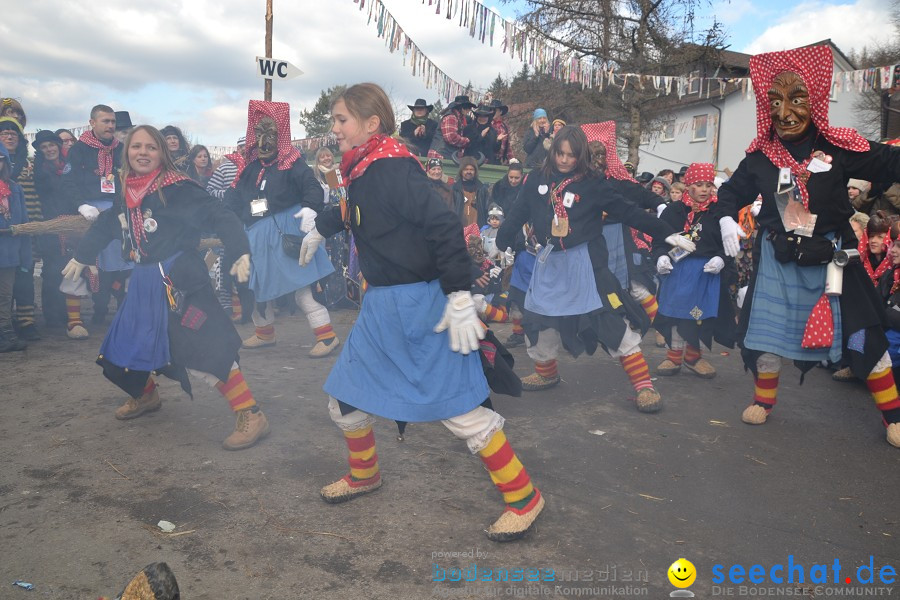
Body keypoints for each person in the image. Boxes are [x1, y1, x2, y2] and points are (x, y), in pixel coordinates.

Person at [299, 82, 545, 541]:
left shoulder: (391, 167)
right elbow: (357, 210)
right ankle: (365, 473)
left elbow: (444, 226)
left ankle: (524, 497)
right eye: (333, 120)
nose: (333, 129)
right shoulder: (364, 167)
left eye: (340, 120)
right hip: (381, 307)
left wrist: (456, 294)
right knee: (347, 395)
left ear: (371, 124)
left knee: (461, 411)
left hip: (422, 304)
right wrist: (322, 227)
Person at [713, 45, 900, 448]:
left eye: (796, 99)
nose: (784, 113)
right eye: (775, 101)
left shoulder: (837, 147)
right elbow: (728, 194)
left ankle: (894, 416)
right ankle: (764, 400)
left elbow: (888, 162)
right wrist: (727, 218)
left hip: (834, 258)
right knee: (765, 335)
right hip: (779, 260)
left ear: (813, 100)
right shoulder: (760, 158)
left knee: (863, 334)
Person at [62, 125, 268, 450]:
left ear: (162, 153)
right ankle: (146, 397)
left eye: (151, 147)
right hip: (144, 279)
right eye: (136, 147)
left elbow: (221, 214)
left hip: (179, 279)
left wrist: (241, 250)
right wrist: (84, 255)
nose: (142, 152)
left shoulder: (178, 188)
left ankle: (251, 413)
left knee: (203, 347)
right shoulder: (128, 188)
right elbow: (108, 222)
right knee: (124, 345)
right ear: (126, 152)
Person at [496, 125, 694, 412]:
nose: (564, 160)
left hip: (586, 264)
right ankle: (546, 372)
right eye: (560, 154)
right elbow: (518, 213)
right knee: (538, 318)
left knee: (610, 321)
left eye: (571, 156)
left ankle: (644, 386)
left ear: (581, 156)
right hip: (549, 263)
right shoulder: (536, 179)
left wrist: (666, 233)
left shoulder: (594, 183)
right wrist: (505, 240)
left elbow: (629, 211)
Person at [224, 100, 339, 357]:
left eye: (271, 135)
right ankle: (265, 333)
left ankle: (327, 336)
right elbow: (234, 199)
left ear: (282, 137)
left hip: (285, 234)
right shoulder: (251, 166)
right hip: (255, 237)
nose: (264, 142)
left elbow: (312, 186)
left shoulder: (292, 162)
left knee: (302, 289)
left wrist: (310, 208)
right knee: (256, 289)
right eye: (260, 135)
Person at [653, 163, 735, 379]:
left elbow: (728, 244)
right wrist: (661, 255)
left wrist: (721, 259)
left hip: (705, 274)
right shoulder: (674, 210)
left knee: (698, 316)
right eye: (699, 185)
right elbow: (659, 238)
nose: (705, 189)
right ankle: (673, 355)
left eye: (708, 185)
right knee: (676, 313)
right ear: (688, 185)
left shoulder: (719, 212)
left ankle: (693, 357)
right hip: (678, 271)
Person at [62, 104, 132, 326]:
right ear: (92, 123)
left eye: (113, 122)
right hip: (88, 212)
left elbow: (129, 180)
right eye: (106, 121)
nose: (111, 125)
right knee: (88, 263)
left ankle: (124, 313)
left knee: (125, 262)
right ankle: (80, 318)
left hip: (117, 210)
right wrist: (81, 205)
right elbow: (68, 181)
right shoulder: (79, 149)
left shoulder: (121, 149)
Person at [0, 114, 42, 341]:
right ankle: (6, 325)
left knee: (24, 277)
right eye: (4, 133)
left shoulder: (30, 164)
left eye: (13, 133)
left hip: (28, 230)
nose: (9, 136)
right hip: (4, 235)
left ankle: (26, 322)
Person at [31, 130, 75, 333]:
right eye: (44, 147)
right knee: (51, 271)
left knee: (69, 269)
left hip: (71, 224)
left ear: (58, 146)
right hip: (50, 225)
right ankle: (52, 315)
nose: (49, 149)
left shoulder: (70, 166)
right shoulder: (40, 171)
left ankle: (70, 313)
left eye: (51, 145)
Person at [0, 143, 31, 352]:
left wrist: (25, 254)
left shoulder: (14, 188)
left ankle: (6, 333)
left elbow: (24, 222)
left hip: (8, 253)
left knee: (4, 295)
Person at [428, 95, 475, 160]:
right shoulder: (451, 117)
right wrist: (468, 140)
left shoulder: (458, 119)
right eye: (467, 108)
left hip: (445, 154)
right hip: (440, 155)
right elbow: (451, 137)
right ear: (462, 108)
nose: (468, 110)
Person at [451, 156, 490, 227]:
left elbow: (487, 210)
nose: (469, 172)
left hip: (478, 230)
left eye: (471, 169)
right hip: (458, 230)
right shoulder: (454, 189)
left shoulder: (482, 189)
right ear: (461, 171)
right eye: (466, 169)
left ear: (475, 171)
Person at [488, 99, 513, 165]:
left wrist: (512, 160)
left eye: (495, 110)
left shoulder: (505, 127)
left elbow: (508, 146)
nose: (492, 112)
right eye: (491, 110)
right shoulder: (486, 124)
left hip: (498, 161)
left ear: (500, 112)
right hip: (486, 160)